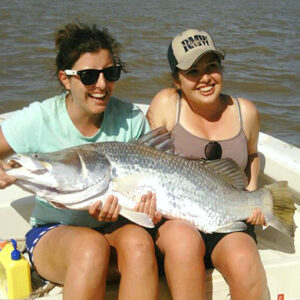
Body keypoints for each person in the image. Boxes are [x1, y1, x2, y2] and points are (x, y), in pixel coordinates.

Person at [0, 23, 160, 300]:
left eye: (110, 73)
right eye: (88, 76)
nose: (101, 85)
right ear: (65, 79)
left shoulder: (131, 119)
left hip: (114, 228)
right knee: (90, 246)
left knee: (140, 243)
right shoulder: (40, 119)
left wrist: (149, 207)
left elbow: (151, 190)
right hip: (54, 235)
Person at [147, 29, 270, 300]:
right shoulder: (167, 105)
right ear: (176, 80)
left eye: (211, 67)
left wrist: (251, 194)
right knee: (184, 243)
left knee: (243, 258)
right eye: (192, 71)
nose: (205, 78)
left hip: (226, 215)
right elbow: (148, 160)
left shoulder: (245, 112)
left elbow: (251, 156)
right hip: (176, 219)